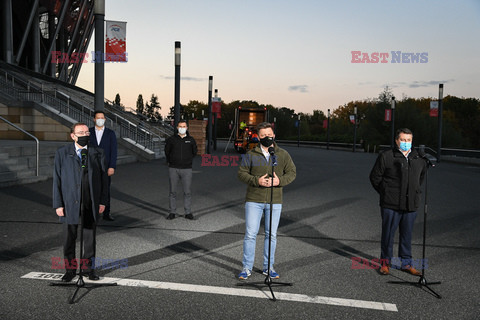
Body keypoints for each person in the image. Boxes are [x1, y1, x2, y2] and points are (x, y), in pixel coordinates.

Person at [237, 122, 296, 280]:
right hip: (254, 200)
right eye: (262, 135)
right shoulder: (251, 154)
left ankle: (268, 267)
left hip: (274, 200)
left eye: (269, 135)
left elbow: (292, 172)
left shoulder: (282, 154)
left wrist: (279, 181)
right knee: (250, 234)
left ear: (274, 135)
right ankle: (246, 268)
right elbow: (242, 173)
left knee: (271, 235)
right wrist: (257, 181)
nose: (266, 138)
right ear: (258, 136)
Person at [53, 123, 108, 282]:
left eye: (86, 132)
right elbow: (57, 179)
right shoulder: (62, 153)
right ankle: (70, 270)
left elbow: (104, 179)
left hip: (90, 201)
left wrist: (103, 201)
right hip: (69, 201)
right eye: (80, 132)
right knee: (69, 238)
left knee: (89, 238)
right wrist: (58, 204)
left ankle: (87, 269)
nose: (84, 135)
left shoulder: (98, 153)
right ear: (73, 136)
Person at [369, 128, 426, 276]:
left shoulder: (419, 158)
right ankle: (385, 264)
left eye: (409, 140)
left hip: (410, 204)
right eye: (403, 140)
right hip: (391, 204)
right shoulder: (386, 156)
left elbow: (420, 178)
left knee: (407, 235)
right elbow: (375, 177)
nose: (406, 143)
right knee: (388, 235)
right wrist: (386, 192)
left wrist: (414, 192)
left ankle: (406, 264)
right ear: (396, 141)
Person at [164, 120, 198, 220]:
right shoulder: (171, 139)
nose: (182, 128)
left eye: (184, 126)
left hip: (187, 169)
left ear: (187, 128)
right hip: (173, 168)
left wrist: (187, 160)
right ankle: (172, 212)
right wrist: (171, 161)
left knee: (187, 192)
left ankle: (188, 212)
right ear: (177, 127)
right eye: (180, 126)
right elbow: (167, 151)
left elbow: (194, 152)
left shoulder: (191, 140)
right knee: (172, 192)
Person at [89, 111, 117, 221]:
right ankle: (92, 212)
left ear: (105, 120)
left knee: (105, 189)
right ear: (94, 119)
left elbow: (113, 151)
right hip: (91, 166)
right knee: (91, 189)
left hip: (105, 166)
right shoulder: (89, 132)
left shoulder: (110, 133)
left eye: (102, 118)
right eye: (98, 118)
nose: (100, 119)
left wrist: (112, 166)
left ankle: (106, 213)